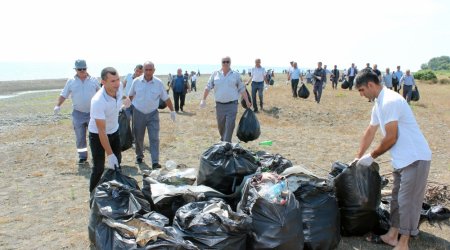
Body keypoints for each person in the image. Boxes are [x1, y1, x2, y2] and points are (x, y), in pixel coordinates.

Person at [353, 68, 431, 250]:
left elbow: (391, 137)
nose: (361, 95)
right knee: (396, 200)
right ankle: (392, 235)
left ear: (370, 85)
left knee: (408, 201)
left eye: (361, 90)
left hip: (415, 158)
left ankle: (404, 243)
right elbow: (370, 131)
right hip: (401, 160)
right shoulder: (378, 104)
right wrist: (358, 157)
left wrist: (371, 156)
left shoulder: (390, 101)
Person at [88, 67, 131, 192]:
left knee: (117, 164)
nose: (117, 83)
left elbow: (120, 96)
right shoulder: (98, 101)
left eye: (117, 79)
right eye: (112, 81)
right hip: (98, 135)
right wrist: (110, 154)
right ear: (103, 82)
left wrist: (125, 101)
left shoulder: (119, 88)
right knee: (99, 168)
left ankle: (115, 191)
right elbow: (101, 131)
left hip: (114, 131)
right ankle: (93, 195)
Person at [128, 61, 176, 169]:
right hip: (138, 112)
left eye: (150, 70)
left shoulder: (158, 83)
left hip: (153, 114)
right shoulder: (136, 82)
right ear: (143, 70)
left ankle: (155, 161)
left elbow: (166, 98)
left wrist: (172, 110)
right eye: (146, 70)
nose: (148, 72)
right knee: (138, 137)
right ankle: (139, 155)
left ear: (154, 70)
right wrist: (123, 108)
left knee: (154, 138)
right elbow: (130, 96)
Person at [54, 59, 100, 165]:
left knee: (95, 136)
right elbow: (64, 94)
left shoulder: (93, 80)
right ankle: (82, 157)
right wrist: (58, 105)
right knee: (80, 137)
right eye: (80, 69)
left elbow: (101, 93)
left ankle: (96, 156)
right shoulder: (71, 81)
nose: (82, 71)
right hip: (78, 113)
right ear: (76, 70)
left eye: (84, 69)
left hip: (93, 113)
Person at [199, 56, 252, 142]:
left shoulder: (235, 75)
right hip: (219, 106)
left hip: (232, 105)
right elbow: (208, 87)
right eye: (224, 62)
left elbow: (242, 89)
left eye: (227, 62)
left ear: (230, 63)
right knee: (221, 126)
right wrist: (203, 99)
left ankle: (226, 144)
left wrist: (247, 101)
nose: (226, 63)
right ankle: (223, 140)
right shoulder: (215, 74)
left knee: (230, 125)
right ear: (221, 63)